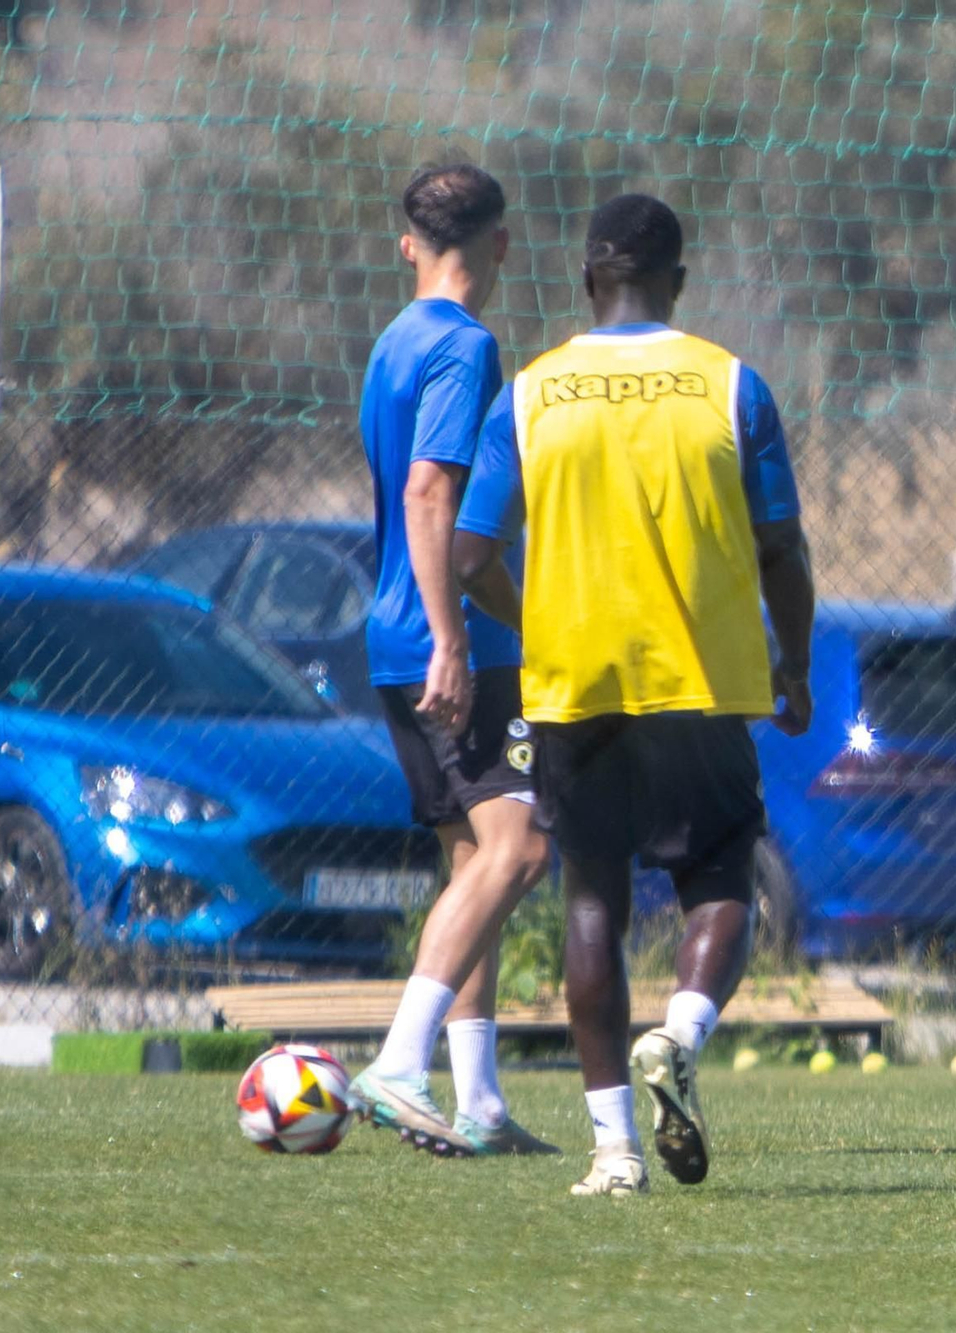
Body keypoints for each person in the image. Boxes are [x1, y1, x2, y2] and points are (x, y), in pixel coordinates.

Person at [454, 192, 815, 1197]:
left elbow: (470, 552)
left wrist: (535, 621)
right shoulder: (730, 387)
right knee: (720, 877)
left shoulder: (530, 393)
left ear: (585, 280)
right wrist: (792, 662)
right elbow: (779, 545)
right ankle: (684, 1030)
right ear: (679, 283)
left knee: (590, 900)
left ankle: (613, 1150)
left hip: (576, 686)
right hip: (701, 683)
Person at [345, 163, 558, 1158]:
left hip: (387, 636)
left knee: (472, 860)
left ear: (409, 245)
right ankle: (398, 1061)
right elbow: (431, 493)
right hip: (442, 641)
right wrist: (456, 636)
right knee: (520, 850)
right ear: (501, 245)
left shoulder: (391, 341)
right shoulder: (465, 347)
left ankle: (475, 1099)